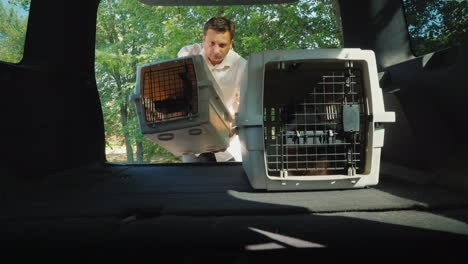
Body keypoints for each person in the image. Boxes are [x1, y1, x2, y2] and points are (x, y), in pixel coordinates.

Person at [177, 16, 247, 163]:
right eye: (211, 43)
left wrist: (225, 134)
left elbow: (243, 108)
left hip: (227, 143)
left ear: (231, 44)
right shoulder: (187, 55)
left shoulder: (242, 66)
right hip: (194, 139)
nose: (216, 51)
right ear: (204, 39)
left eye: (222, 45)